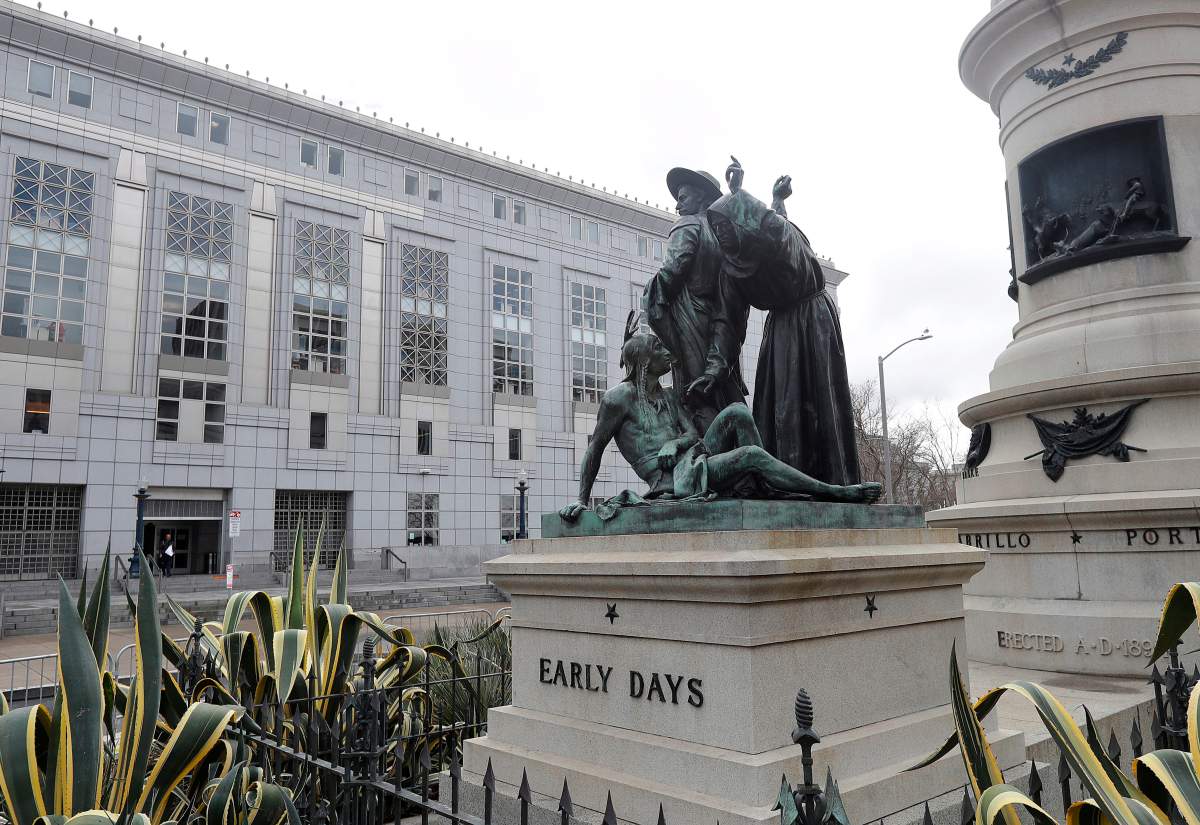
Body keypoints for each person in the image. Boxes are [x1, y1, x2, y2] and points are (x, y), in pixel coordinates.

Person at [558, 324, 881, 521]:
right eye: (658, 348)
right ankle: (836, 493)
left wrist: (676, 442)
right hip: (672, 481)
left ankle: (762, 486)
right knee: (750, 457)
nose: (667, 352)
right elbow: (595, 448)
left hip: (693, 457)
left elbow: (692, 435)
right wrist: (581, 500)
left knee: (737, 412)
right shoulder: (618, 399)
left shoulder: (669, 396)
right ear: (643, 361)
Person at [694, 158, 861, 487]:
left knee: (819, 406)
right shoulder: (731, 269)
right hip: (781, 331)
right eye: (717, 230)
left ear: (742, 221)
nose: (722, 235)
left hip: (815, 321)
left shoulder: (772, 233)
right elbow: (727, 322)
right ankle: (784, 486)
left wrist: (755, 196)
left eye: (726, 226)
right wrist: (714, 369)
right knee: (782, 411)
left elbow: (773, 227)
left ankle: (831, 483)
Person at [641, 166, 747, 433]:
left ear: (701, 197)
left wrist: (651, 296)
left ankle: (710, 459)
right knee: (719, 392)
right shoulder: (721, 237)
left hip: (690, 320)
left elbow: (673, 269)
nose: (677, 205)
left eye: (683, 197)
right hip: (717, 326)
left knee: (696, 396)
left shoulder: (688, 224)